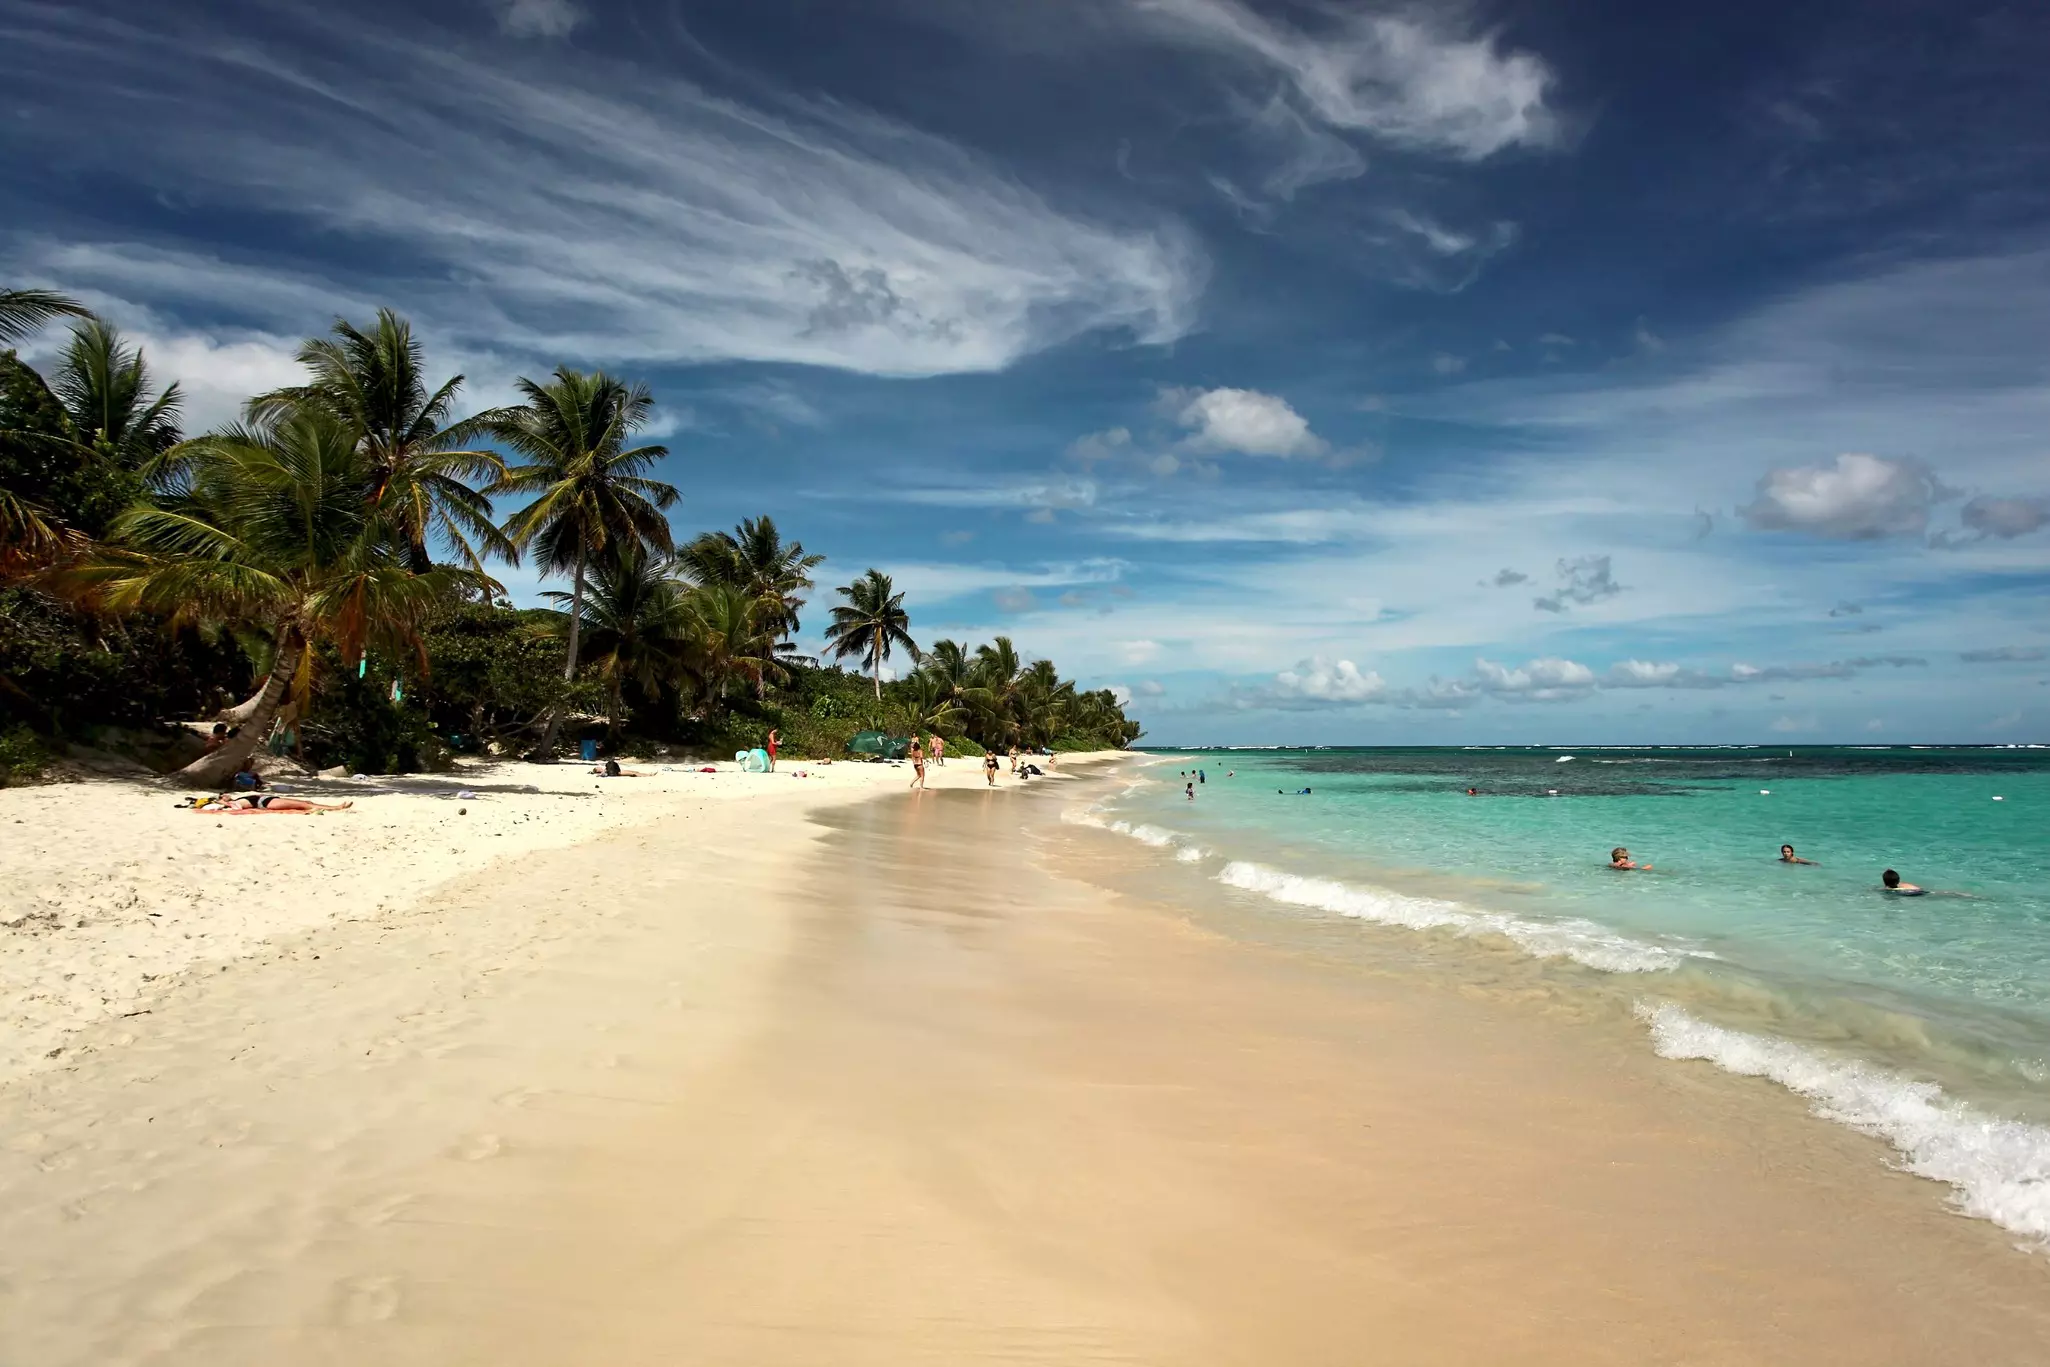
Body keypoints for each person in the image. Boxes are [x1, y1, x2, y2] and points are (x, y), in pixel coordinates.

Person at [190, 793, 353, 813]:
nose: (226, 796)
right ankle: (336, 808)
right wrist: (223, 802)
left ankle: (335, 807)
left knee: (305, 801)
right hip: (264, 803)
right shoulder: (228, 804)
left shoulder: (234, 800)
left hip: (264, 799)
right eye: (223, 796)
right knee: (304, 805)